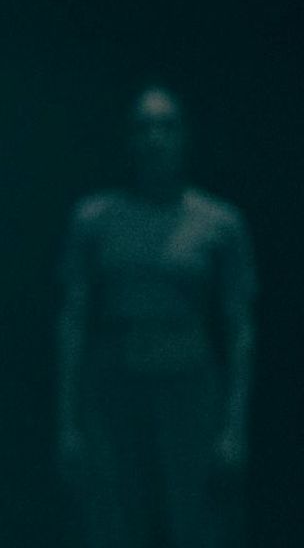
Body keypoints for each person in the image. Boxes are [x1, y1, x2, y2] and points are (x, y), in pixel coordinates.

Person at [56, 84, 257, 548]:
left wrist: (234, 426)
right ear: (128, 138)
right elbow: (72, 320)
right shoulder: (94, 218)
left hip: (189, 385)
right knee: (115, 520)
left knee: (196, 520)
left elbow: (240, 328)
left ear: (185, 135)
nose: (155, 138)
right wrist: (68, 422)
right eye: (144, 127)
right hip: (114, 385)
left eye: (166, 126)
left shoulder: (219, 222)